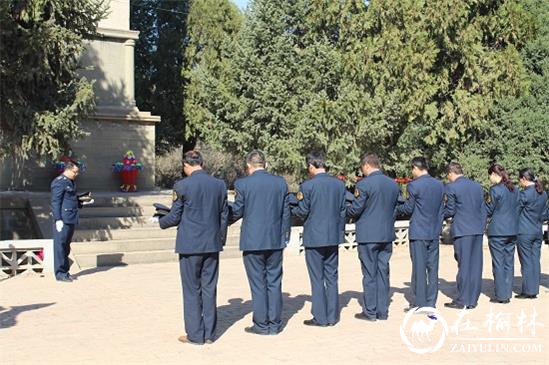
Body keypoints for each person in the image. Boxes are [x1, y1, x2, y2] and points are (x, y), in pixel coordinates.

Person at [158, 150, 228, 345]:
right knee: (209, 288)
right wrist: (220, 239)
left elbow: (175, 216)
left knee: (191, 290)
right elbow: (224, 215)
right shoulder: (219, 185)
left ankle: (195, 335)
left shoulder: (182, 185)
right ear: (202, 163)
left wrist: (160, 221)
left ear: (186, 165)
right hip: (211, 245)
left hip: (190, 246)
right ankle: (209, 334)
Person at [229, 150, 291, 335]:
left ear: (249, 166)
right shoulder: (280, 183)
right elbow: (285, 212)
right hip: (274, 240)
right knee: (274, 281)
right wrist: (284, 236)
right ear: (265, 164)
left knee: (257, 283)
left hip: (252, 241)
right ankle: (275, 323)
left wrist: (222, 218)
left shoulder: (243, 184)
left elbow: (237, 211)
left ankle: (261, 324)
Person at [291, 151, 346, 327]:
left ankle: (320, 317)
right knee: (331, 276)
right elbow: (343, 210)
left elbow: (302, 211)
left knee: (317, 277)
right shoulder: (339, 185)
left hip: (314, 238)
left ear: (311, 166)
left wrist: (291, 210)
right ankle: (332, 316)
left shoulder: (308, 186)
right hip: (332, 237)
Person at [347, 153, 399, 321]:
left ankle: (370, 311)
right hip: (386, 234)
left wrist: (345, 210)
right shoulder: (393, 185)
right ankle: (382, 311)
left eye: (362, 167)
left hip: (368, 236)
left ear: (367, 165)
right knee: (383, 272)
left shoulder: (364, 185)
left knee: (370, 273)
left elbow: (356, 209)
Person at [396, 157, 444, 310]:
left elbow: (409, 209)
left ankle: (421, 303)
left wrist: (396, 207)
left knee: (419, 267)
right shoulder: (439, 185)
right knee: (433, 268)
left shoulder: (413, 185)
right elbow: (441, 209)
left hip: (419, 232)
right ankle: (431, 302)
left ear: (416, 168)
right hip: (434, 231)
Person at [443, 162, 486, 309]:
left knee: (464, 265)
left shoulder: (451, 187)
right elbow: (483, 209)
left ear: (450, 173)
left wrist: (437, 214)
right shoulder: (477, 186)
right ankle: (473, 299)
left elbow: (450, 210)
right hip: (477, 230)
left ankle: (462, 300)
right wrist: (481, 227)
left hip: (462, 230)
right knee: (475, 265)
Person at [485, 164, 519, 304]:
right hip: (512, 230)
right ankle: (507, 292)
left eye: (490, 175)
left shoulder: (494, 190)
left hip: (498, 231)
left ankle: (501, 295)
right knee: (509, 262)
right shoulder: (514, 189)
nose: (490, 179)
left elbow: (489, 209)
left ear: (494, 174)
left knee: (498, 263)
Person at [516, 168, 548, 299]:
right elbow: (545, 212)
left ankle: (528, 291)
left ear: (524, 179)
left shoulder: (524, 194)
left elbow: (516, 210)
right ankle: (534, 289)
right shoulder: (543, 193)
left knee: (526, 261)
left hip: (524, 231)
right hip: (537, 230)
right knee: (535, 260)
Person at [51, 160, 82, 282]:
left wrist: (82, 202)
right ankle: (60, 273)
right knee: (60, 246)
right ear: (68, 170)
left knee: (66, 246)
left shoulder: (71, 182)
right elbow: (56, 201)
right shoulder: (59, 182)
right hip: (62, 219)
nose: (76, 174)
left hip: (70, 217)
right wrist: (58, 219)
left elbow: (71, 199)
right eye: (75, 172)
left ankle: (65, 271)